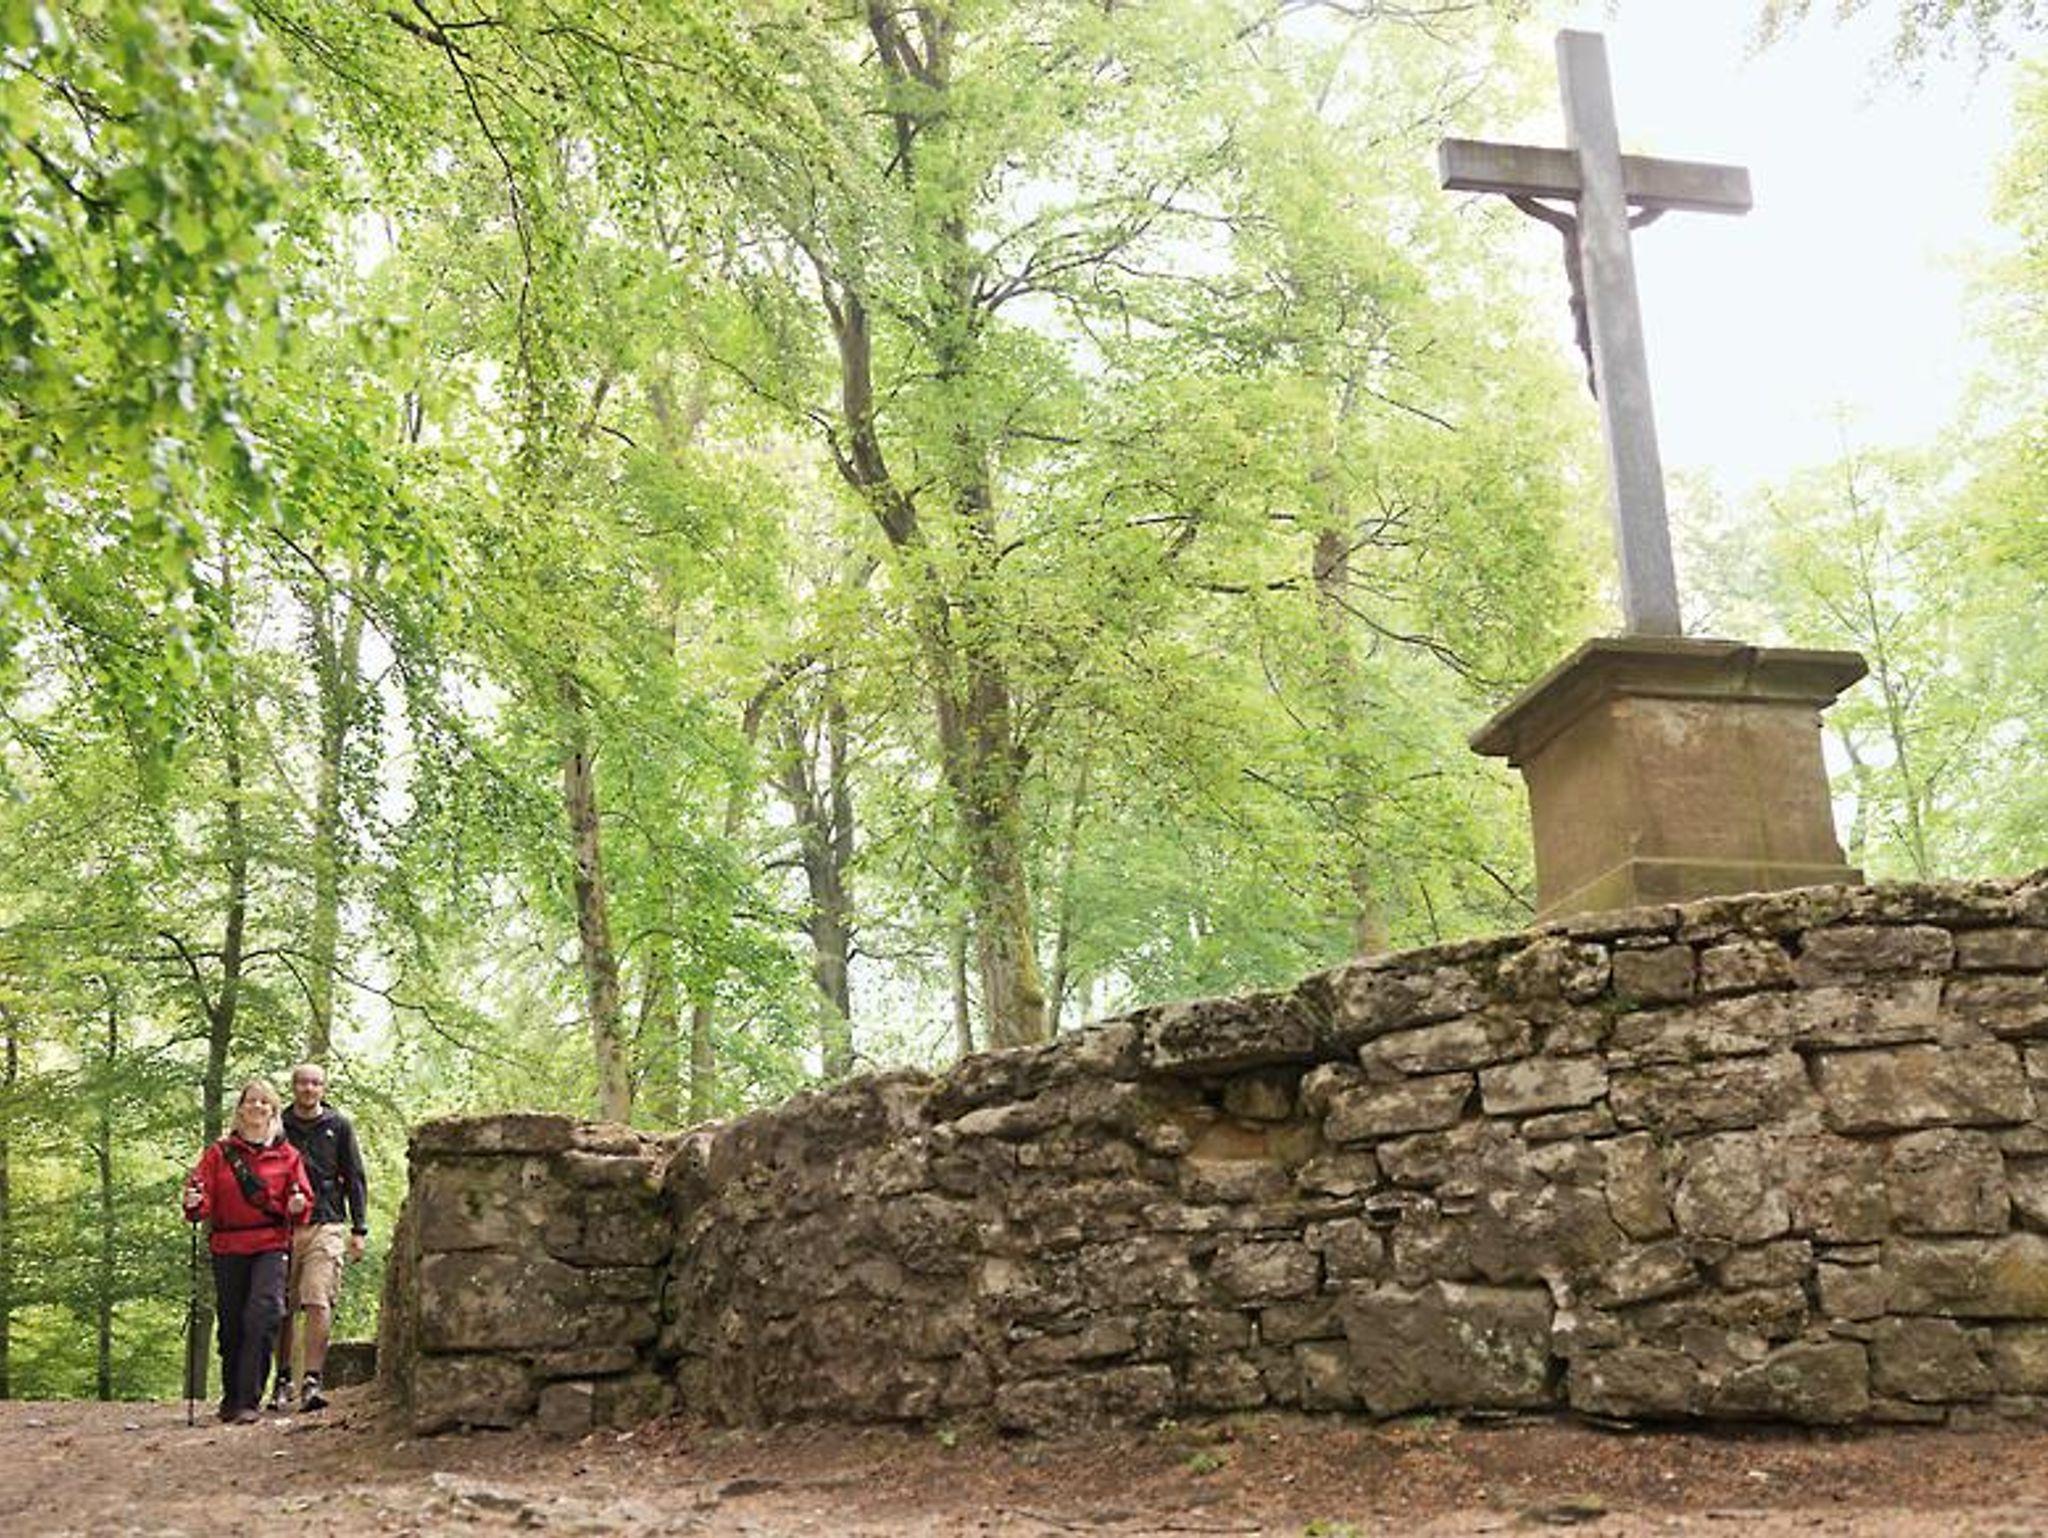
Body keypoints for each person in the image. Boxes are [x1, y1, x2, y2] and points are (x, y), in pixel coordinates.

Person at [181, 1079, 313, 1424]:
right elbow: (200, 1198)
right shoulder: (218, 1153)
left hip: (271, 1244)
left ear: (273, 1110)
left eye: (264, 1102)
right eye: (251, 1101)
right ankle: (232, 1397)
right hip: (228, 1244)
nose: (257, 1107)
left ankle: (248, 1400)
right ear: (240, 1109)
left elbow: (302, 1201)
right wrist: (194, 1202)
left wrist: (298, 1205)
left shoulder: (288, 1156)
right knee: (232, 1323)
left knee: (264, 1313)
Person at [268, 1061, 368, 1413]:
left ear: (323, 1088)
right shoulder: (278, 1125)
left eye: (315, 1083)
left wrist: (359, 1229)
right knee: (283, 1305)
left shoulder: (338, 1125)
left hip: (327, 1222)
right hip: (283, 1225)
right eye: (303, 1083)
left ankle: (312, 1379)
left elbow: (354, 1176)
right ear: (293, 1086)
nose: (309, 1089)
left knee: (318, 1299)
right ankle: (283, 1379)